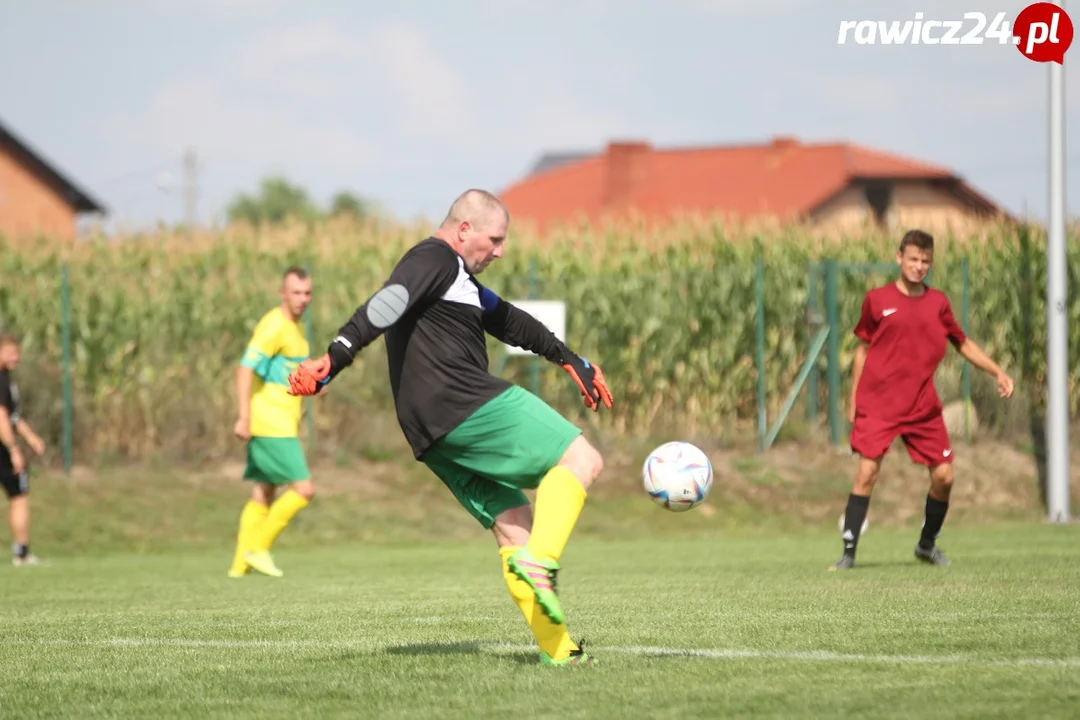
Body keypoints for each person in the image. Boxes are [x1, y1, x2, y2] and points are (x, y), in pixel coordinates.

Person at [287, 189, 612, 666]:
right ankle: (542, 564)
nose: (499, 251)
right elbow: (390, 301)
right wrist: (336, 356)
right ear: (465, 230)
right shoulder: (434, 258)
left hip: (429, 430)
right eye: (495, 239)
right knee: (583, 459)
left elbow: (507, 320)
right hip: (462, 401)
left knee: (514, 527)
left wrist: (567, 357)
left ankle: (560, 651)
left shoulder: (456, 277)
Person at [831, 229, 1014, 571]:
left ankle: (927, 545)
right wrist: (853, 399)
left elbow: (963, 344)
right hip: (879, 404)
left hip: (921, 407)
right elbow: (862, 351)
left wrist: (997, 372)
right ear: (899, 257)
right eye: (913, 259)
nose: (919, 266)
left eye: (925, 261)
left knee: (945, 477)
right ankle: (848, 553)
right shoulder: (877, 300)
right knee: (867, 472)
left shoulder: (938, 303)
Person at [228, 267, 316, 579]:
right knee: (304, 489)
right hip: (269, 422)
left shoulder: (296, 328)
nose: (302, 299)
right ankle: (257, 549)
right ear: (283, 294)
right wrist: (244, 416)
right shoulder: (274, 325)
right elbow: (245, 369)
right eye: (296, 292)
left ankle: (239, 567)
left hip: (282, 423)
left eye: (307, 293)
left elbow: (291, 373)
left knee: (263, 493)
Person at [0, 334, 47, 566]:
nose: (16, 357)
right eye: (11, 352)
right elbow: (1, 417)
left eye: (17, 352)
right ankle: (21, 553)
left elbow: (13, 417)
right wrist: (13, 450)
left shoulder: (7, 379)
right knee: (18, 497)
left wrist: (31, 438)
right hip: (3, 449)